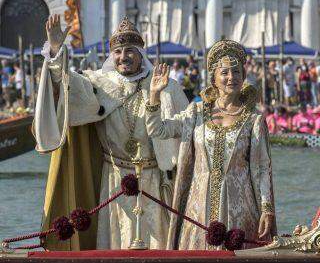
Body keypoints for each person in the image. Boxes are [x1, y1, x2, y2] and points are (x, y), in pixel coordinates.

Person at [34, 15, 188, 250]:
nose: (123, 57)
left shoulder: (166, 86)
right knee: (115, 244)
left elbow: (187, 133)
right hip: (114, 178)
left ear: (140, 54)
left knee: (158, 245)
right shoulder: (100, 84)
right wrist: (56, 51)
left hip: (154, 179)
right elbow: (64, 85)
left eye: (129, 51)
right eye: (117, 52)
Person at [146, 40, 276, 250]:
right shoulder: (196, 113)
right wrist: (154, 95)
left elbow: (262, 169)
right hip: (198, 209)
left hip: (241, 210)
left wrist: (267, 209)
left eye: (236, 72)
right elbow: (157, 130)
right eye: (224, 73)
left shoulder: (254, 120)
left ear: (243, 76)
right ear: (214, 78)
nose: (231, 78)